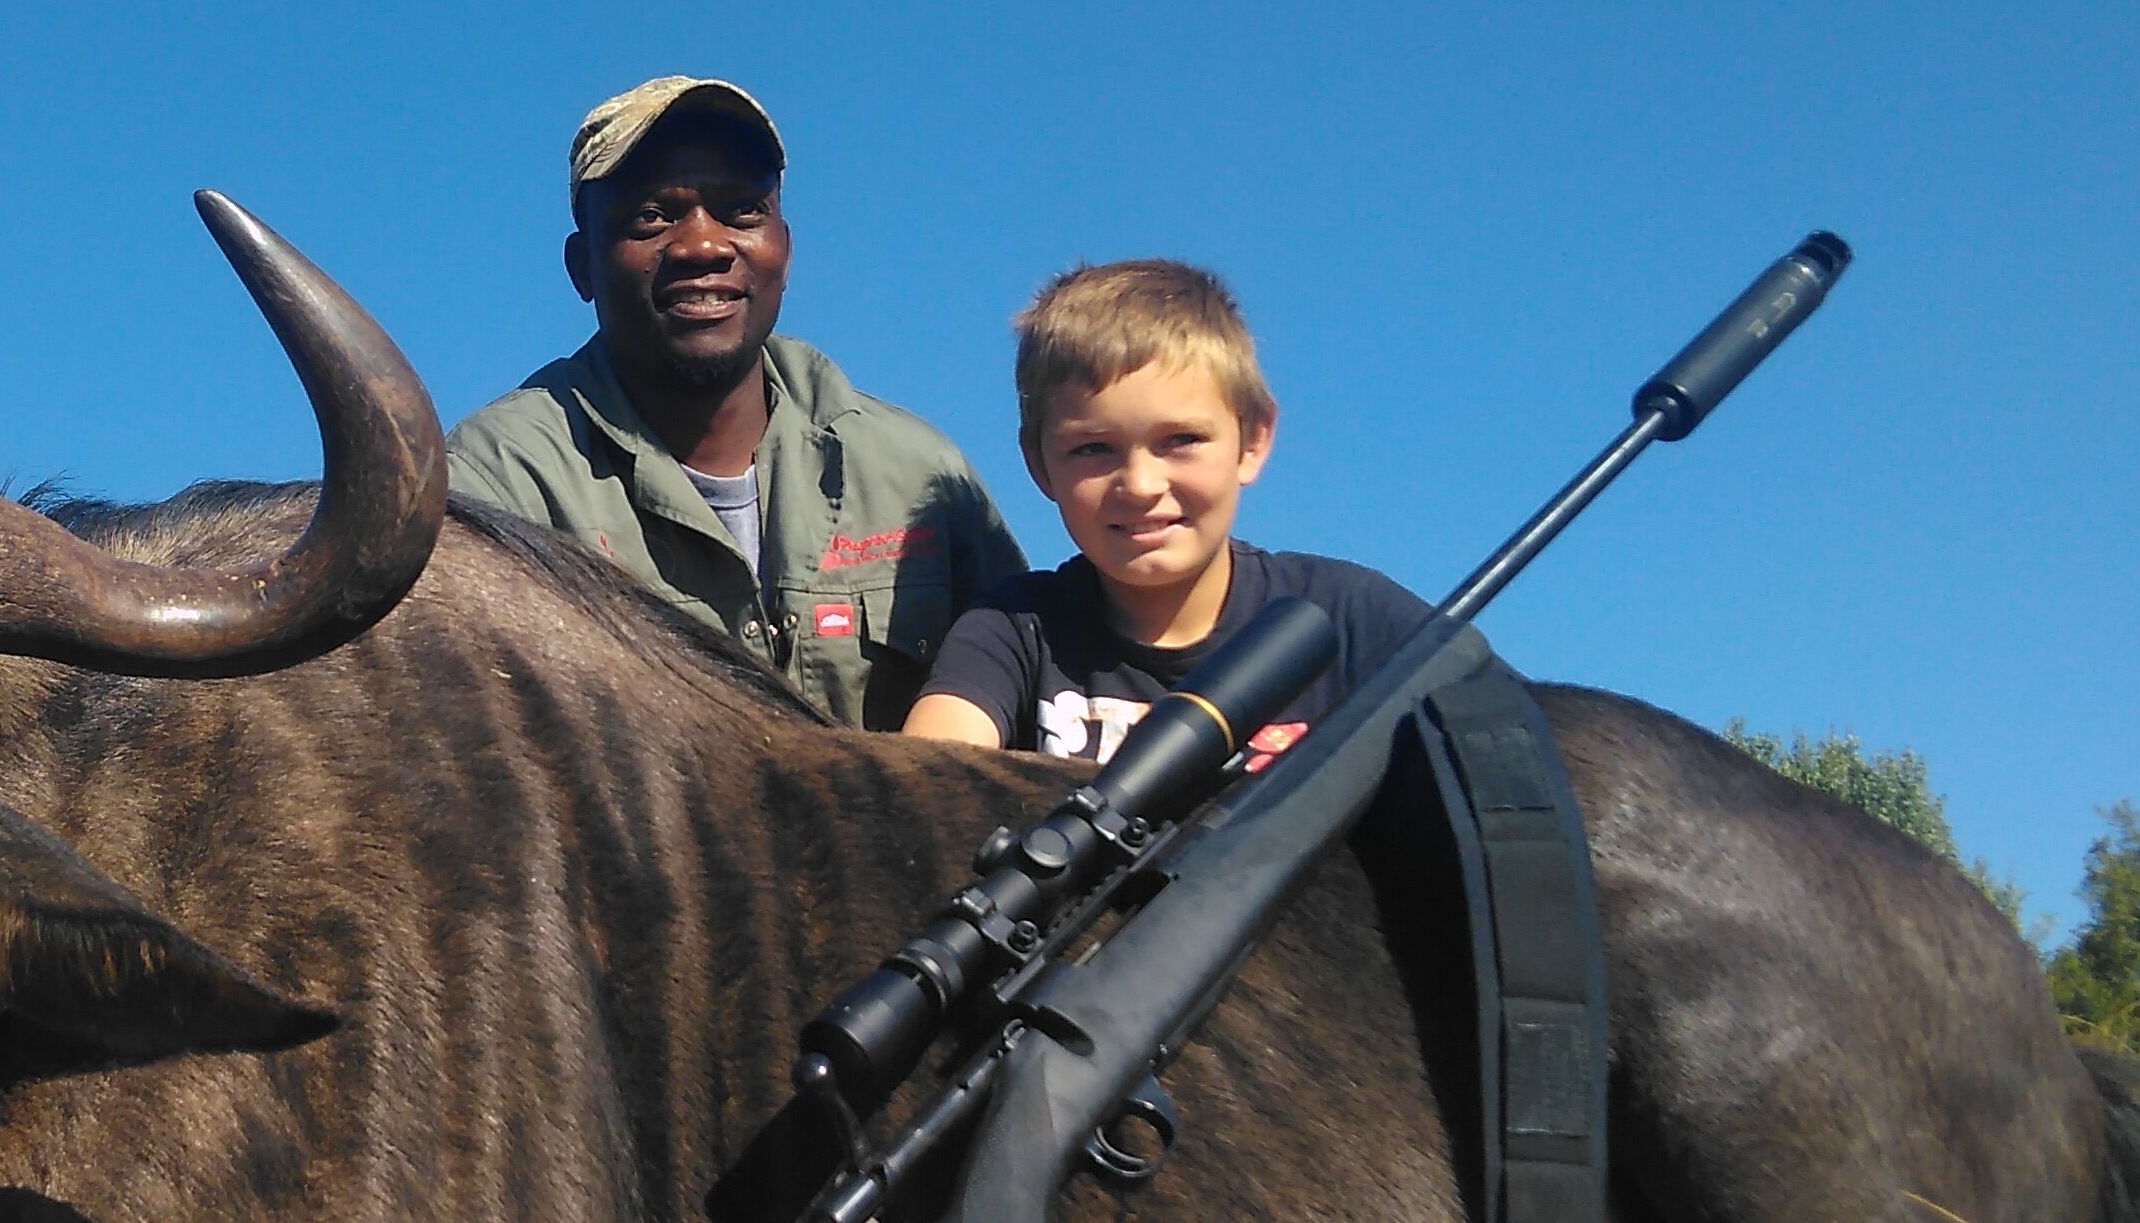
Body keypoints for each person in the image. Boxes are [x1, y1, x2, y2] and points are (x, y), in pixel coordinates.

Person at [448, 77, 1028, 731]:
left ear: (786, 247)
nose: (702, 245)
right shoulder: (496, 484)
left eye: (742, 212)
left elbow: (1037, 706)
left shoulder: (919, 471)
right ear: (582, 266)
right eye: (651, 217)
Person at [907, 258, 1432, 766]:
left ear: (1252, 441)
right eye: (1092, 449)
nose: (1139, 486)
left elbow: (1504, 749)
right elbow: (924, 785)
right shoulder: (1014, 630)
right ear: (1040, 465)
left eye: (1181, 440)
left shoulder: (1351, 618)